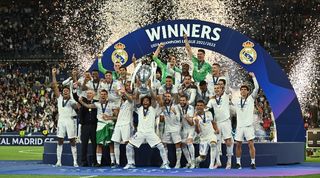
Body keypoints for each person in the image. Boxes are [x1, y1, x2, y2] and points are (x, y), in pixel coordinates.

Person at [124, 81, 170, 169]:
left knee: (161, 146)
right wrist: (137, 87)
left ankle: (165, 163)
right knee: (129, 146)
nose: (145, 102)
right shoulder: (139, 108)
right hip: (140, 132)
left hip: (150, 132)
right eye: (144, 101)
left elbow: (153, 98)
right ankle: (130, 163)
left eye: (147, 101)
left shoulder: (153, 109)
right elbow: (136, 98)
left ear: (149, 102)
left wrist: (149, 86)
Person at [78, 89, 119, 167]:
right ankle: (98, 162)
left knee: (110, 144)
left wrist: (109, 117)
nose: (103, 95)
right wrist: (81, 101)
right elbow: (88, 106)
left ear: (107, 96)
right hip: (100, 126)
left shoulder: (112, 104)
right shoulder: (97, 104)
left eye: (104, 94)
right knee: (99, 144)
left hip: (109, 125)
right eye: (102, 94)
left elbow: (116, 117)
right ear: (99, 95)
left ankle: (113, 161)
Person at [51, 68, 78, 167]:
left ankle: (75, 161)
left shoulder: (71, 101)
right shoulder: (59, 98)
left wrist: (75, 105)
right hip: (61, 121)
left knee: (72, 140)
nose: (65, 92)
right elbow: (54, 86)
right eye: (64, 91)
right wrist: (53, 74)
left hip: (70, 120)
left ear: (69, 92)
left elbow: (77, 109)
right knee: (60, 140)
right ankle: (59, 161)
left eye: (67, 91)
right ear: (62, 92)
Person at [233, 72, 259, 169]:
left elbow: (256, 88)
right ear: (240, 91)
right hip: (239, 126)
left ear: (248, 91)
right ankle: (238, 163)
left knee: (250, 144)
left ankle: (253, 162)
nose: (243, 91)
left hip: (248, 126)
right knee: (238, 145)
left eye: (245, 89)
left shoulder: (251, 99)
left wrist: (253, 77)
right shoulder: (236, 101)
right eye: (242, 89)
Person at [207, 84, 234, 169]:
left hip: (226, 122)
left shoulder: (225, 96)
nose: (216, 89)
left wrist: (225, 73)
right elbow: (206, 109)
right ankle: (218, 162)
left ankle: (229, 162)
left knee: (228, 141)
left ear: (222, 89)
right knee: (217, 142)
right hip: (217, 123)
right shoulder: (212, 100)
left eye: (218, 88)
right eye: (215, 88)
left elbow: (228, 83)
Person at [111, 81, 135, 167]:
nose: (128, 87)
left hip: (127, 123)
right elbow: (117, 113)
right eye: (126, 86)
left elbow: (131, 99)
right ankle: (117, 163)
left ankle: (131, 162)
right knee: (116, 143)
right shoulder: (120, 100)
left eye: (129, 86)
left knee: (127, 143)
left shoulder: (132, 97)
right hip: (118, 123)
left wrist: (124, 92)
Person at [73, 87, 98, 167]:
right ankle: (84, 161)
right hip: (85, 125)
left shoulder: (97, 102)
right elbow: (76, 98)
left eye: (90, 93)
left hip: (94, 125)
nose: (88, 95)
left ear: (94, 94)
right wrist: (74, 90)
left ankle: (95, 161)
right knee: (84, 144)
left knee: (95, 144)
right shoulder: (82, 101)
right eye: (87, 93)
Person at [159, 92, 182, 168]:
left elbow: (179, 119)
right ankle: (166, 162)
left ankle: (178, 163)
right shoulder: (163, 107)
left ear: (171, 98)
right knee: (164, 144)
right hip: (167, 129)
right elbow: (161, 118)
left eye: (168, 96)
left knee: (177, 145)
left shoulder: (176, 106)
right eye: (165, 96)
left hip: (175, 128)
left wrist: (174, 112)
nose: (167, 98)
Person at [194, 100, 219, 169]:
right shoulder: (195, 117)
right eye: (198, 105)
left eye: (201, 105)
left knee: (213, 144)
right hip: (203, 138)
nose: (199, 107)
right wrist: (196, 124)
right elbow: (198, 131)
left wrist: (216, 129)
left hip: (211, 134)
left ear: (204, 106)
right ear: (196, 107)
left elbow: (213, 122)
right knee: (202, 157)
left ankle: (211, 165)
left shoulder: (209, 113)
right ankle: (195, 161)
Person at [178, 95, 196, 168]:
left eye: (183, 100)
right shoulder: (178, 107)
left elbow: (191, 123)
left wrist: (187, 118)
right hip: (184, 129)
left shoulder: (191, 108)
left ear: (187, 101)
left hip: (191, 128)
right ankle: (189, 162)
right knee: (183, 145)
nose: (182, 102)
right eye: (181, 100)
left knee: (189, 143)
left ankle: (193, 162)